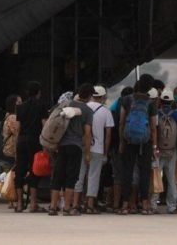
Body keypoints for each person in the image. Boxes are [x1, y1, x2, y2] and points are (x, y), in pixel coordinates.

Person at [49, 84, 94, 216]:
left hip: (61, 145)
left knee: (58, 176)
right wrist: (87, 153)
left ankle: (52, 207)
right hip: (75, 146)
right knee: (71, 177)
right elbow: (87, 133)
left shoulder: (65, 104)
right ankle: (67, 208)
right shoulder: (87, 110)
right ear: (90, 96)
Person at [119, 75, 159, 215]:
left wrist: (122, 142)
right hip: (145, 142)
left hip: (129, 140)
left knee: (128, 172)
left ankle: (125, 205)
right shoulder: (151, 103)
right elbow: (153, 127)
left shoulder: (127, 99)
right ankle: (145, 205)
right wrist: (154, 147)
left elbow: (122, 122)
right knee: (144, 172)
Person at [74, 85, 115, 214]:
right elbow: (108, 135)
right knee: (93, 176)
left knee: (79, 176)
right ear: (102, 97)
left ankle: (76, 204)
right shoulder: (106, 111)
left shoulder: (82, 108)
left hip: (81, 146)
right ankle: (90, 205)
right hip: (97, 148)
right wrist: (105, 152)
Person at [14, 81, 48, 213]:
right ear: (38, 92)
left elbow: (18, 128)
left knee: (20, 170)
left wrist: (17, 143)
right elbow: (44, 125)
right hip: (35, 140)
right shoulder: (41, 105)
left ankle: (19, 203)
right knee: (35, 169)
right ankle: (33, 203)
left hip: (22, 140)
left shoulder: (20, 107)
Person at [152, 89, 177, 214]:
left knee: (156, 178)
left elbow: (154, 130)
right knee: (171, 179)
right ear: (171, 101)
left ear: (161, 100)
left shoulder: (156, 114)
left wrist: (155, 147)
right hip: (172, 150)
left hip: (158, 151)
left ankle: (153, 205)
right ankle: (172, 206)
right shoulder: (176, 114)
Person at [2, 94, 21, 166]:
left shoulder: (9, 115)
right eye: (19, 103)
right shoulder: (13, 118)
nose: (21, 105)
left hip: (9, 150)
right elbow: (17, 134)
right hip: (12, 151)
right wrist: (17, 154)